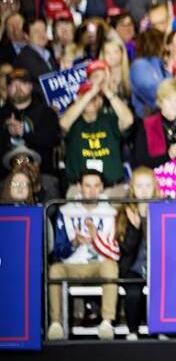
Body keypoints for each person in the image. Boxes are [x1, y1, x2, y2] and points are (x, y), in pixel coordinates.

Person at [48, 169, 119, 341]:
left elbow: (115, 252)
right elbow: (58, 250)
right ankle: (55, 323)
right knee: (55, 270)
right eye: (87, 186)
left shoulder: (111, 213)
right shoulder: (65, 212)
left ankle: (106, 322)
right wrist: (75, 242)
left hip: (98, 264)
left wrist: (96, 239)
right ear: (79, 187)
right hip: (73, 264)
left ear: (102, 187)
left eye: (96, 186)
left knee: (111, 266)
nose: (92, 190)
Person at [60, 78, 134, 194]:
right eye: (86, 97)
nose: (91, 100)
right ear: (78, 100)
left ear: (100, 101)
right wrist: (89, 94)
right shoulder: (73, 122)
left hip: (112, 188)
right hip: (79, 189)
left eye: (95, 97)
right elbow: (63, 124)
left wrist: (108, 92)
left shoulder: (110, 119)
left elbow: (128, 120)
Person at [115, 167, 159, 340]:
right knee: (133, 293)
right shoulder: (125, 212)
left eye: (148, 185)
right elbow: (125, 248)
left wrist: (146, 220)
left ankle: (161, 329)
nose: (144, 190)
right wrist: (134, 228)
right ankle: (132, 330)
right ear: (132, 188)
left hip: (156, 265)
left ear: (154, 187)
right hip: (133, 266)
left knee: (162, 290)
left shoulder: (161, 209)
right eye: (139, 186)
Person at [0, 69, 60, 180]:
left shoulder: (46, 112)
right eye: (13, 84)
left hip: (43, 176)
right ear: (7, 89)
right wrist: (7, 133)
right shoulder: (2, 115)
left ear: (31, 86)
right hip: (6, 178)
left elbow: (53, 140)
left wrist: (24, 134)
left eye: (22, 83)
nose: (18, 88)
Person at [132, 79, 176, 169]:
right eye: (168, 100)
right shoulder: (147, 126)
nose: (173, 105)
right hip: (155, 179)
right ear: (160, 102)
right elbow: (140, 162)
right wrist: (168, 155)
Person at [130, 28, 170, 117]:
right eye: (164, 42)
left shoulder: (161, 64)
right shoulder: (139, 65)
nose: (167, 47)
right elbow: (155, 94)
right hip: (148, 119)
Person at [13, 18, 57, 89]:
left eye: (44, 30)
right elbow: (45, 78)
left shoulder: (48, 52)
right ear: (26, 36)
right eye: (36, 32)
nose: (42, 35)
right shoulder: (25, 57)